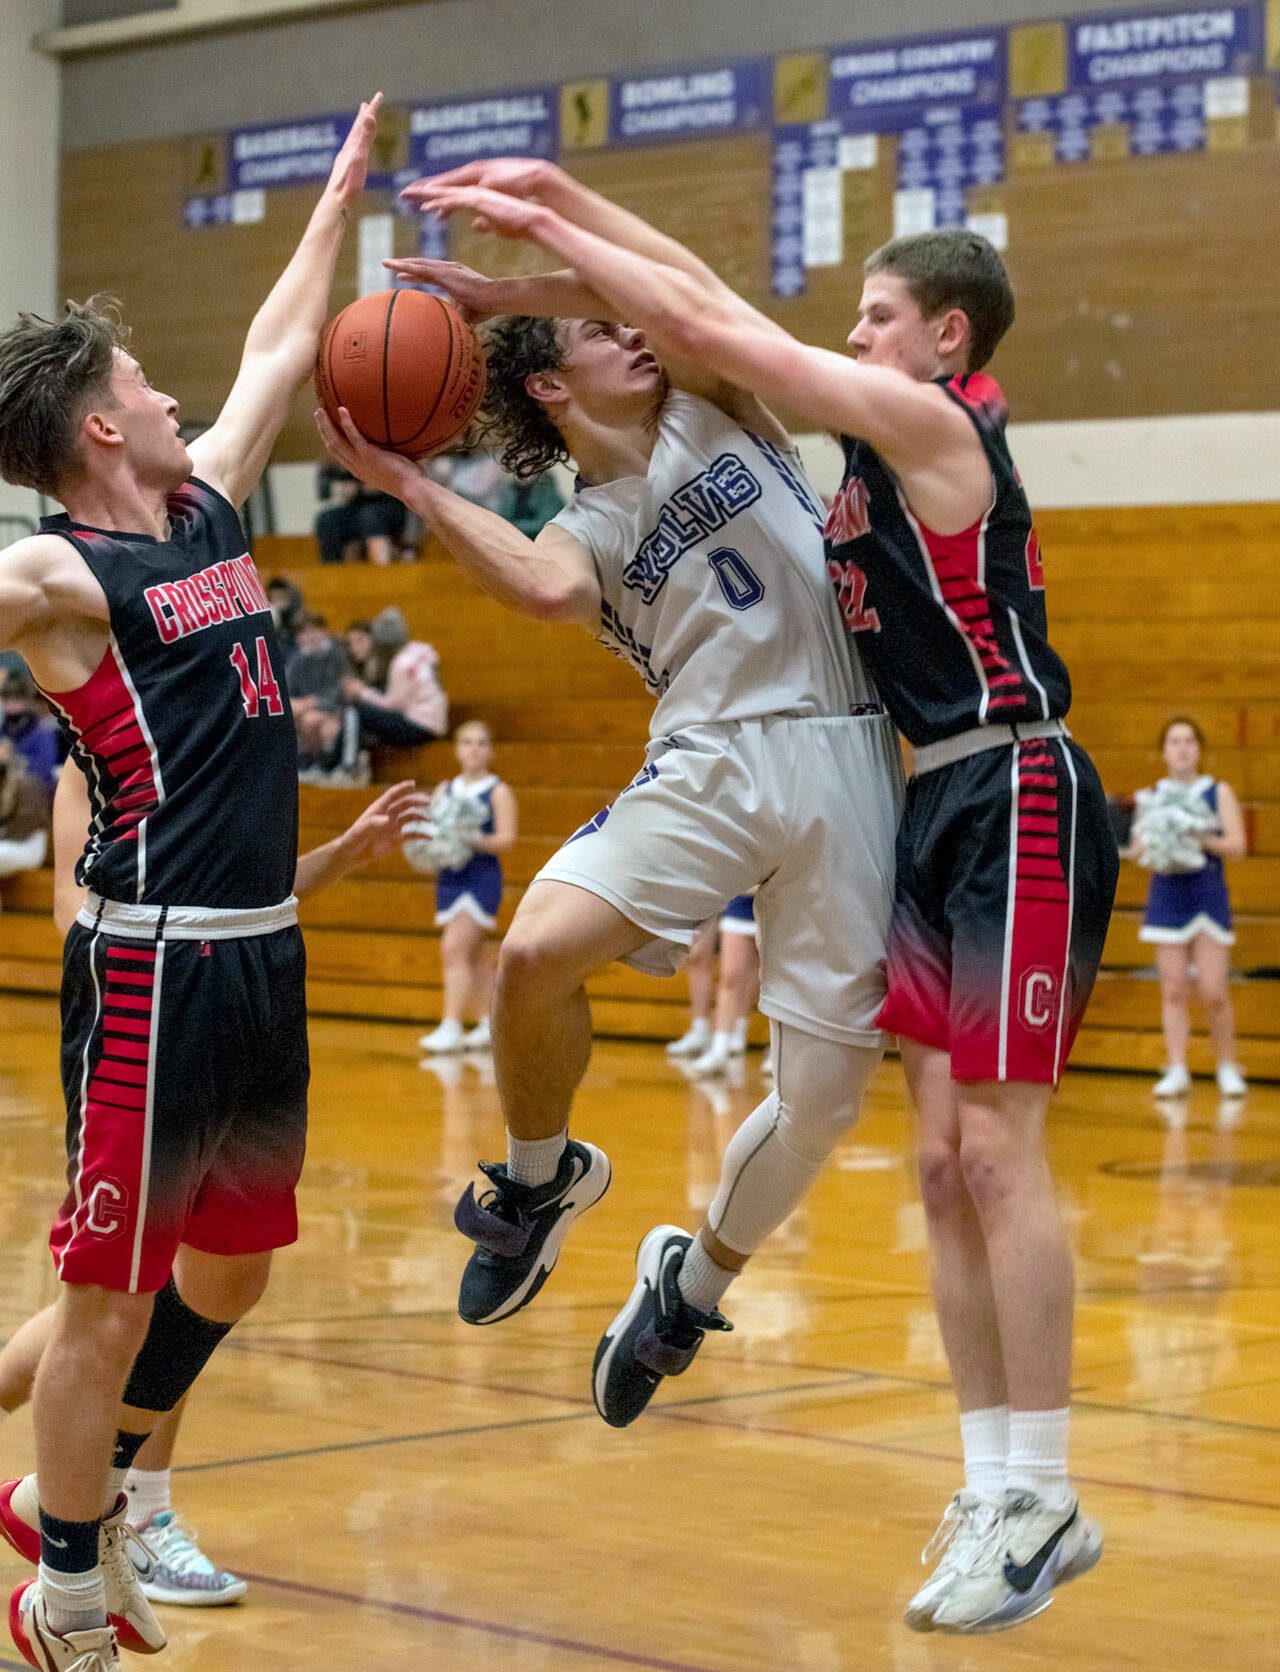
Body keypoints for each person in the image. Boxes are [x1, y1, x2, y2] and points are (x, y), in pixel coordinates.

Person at [407, 160, 1119, 1634]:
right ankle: (998, 1484)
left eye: (877, 314)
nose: (850, 334)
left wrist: (547, 225)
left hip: (984, 776)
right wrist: (529, 279)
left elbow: (710, 324)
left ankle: (1036, 1487)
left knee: (967, 1146)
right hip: (917, 793)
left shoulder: (894, 420)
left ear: (946, 344)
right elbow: (704, 312)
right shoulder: (805, 449)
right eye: (851, 317)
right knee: (943, 1164)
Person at [320, 180, 901, 1442]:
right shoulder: (580, 525)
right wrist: (408, 488)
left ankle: (683, 1291)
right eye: (596, 334)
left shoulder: (719, 400)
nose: (629, 330)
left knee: (823, 1097)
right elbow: (535, 589)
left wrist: (513, 282)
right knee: (530, 951)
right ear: (546, 388)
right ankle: (539, 1181)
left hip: (846, 747)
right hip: (706, 756)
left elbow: (673, 284)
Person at [0, 94, 380, 1672]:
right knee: (108, 1295)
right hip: (155, 969)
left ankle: (58, 1493)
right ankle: (67, 1588)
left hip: (262, 957)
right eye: (142, 381)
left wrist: (341, 190)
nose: (171, 394)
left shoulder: (208, 510)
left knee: (235, 1262)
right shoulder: (61, 579)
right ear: (100, 427)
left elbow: (285, 344)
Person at [1, 760, 427, 1604]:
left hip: (242, 1014)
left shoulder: (219, 744)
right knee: (127, 1297)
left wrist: (342, 853)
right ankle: (136, 1513)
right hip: (145, 1016)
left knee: (197, 1285)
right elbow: (70, 914)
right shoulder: (99, 759)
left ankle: (122, 1505)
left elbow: (243, 901)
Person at [1131, 717, 1248, 1099]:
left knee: (1214, 990)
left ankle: (1227, 1065)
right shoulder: (1152, 796)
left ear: (1199, 748)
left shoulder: (1217, 792)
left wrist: (1195, 833)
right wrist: (1147, 840)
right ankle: (1177, 1068)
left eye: (1188, 741)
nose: (1181, 748)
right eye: (1174, 741)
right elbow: (1137, 851)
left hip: (1207, 895)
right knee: (1173, 989)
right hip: (1166, 896)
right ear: (1163, 751)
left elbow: (1237, 845)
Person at [418, 720, 517, 1054]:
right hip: (449, 876)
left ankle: (451, 1025)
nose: (474, 749)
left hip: (481, 877)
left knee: (454, 948)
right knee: (475, 957)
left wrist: (471, 838)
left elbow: (506, 839)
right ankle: (492, 1025)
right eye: (467, 742)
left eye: (481, 742)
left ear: (490, 750)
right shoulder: (444, 790)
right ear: (457, 749)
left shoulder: (498, 791)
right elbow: (432, 831)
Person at [667, 895, 760, 1076]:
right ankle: (718, 1045)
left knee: (759, 968)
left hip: (769, 897)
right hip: (737, 901)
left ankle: (741, 1032)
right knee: (729, 976)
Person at [341, 604, 447, 753]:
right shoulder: (417, 651)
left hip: (418, 726)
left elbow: (394, 705)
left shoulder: (401, 663)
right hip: (434, 723)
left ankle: (348, 764)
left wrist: (362, 692)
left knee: (356, 712)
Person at [313, 459, 408, 565]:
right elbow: (325, 494)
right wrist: (345, 485)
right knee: (327, 519)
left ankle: (381, 568)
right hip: (358, 505)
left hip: (391, 504)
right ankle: (332, 571)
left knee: (371, 516)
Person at [2, 667, 62, 798]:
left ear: (28, 701)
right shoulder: (3, 732)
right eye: (6, 699)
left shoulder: (42, 734)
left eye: (17, 699)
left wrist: (12, 759)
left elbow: (43, 773)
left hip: (34, 802)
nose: (11, 705)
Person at [0, 739, 51, 887]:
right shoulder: (3, 783)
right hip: (7, 841)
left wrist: (3, 835)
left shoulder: (28, 783)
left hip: (27, 843)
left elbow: (27, 823)